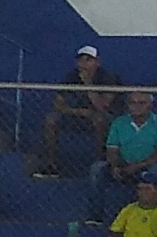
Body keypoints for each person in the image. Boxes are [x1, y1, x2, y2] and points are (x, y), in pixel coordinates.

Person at [36, 46, 121, 177]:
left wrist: (87, 84)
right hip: (81, 115)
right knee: (51, 119)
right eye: (81, 60)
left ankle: (101, 164)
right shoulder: (72, 76)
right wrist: (78, 112)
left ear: (97, 62)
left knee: (99, 119)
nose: (83, 64)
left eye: (88, 60)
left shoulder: (107, 77)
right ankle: (50, 165)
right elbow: (58, 104)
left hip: (110, 117)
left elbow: (102, 106)